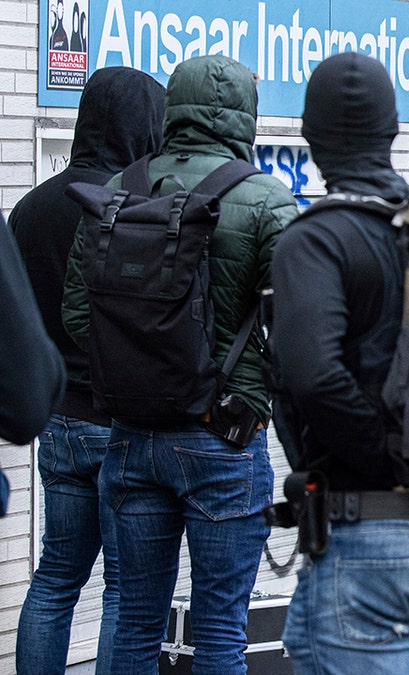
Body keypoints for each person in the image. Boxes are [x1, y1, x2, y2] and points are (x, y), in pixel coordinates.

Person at [61, 55, 297, 672]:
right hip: (223, 440)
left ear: (175, 111)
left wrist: (142, 371)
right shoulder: (265, 198)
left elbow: (79, 318)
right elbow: (301, 326)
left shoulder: (116, 190)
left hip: (131, 439)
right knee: (220, 630)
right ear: (245, 114)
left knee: (136, 622)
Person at [275, 52, 409, 674]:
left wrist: (389, 462)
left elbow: (314, 375)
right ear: (392, 132)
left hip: (370, 539)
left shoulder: (316, 240)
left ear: (312, 139)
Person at [12, 66, 164, 675]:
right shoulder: (137, 207)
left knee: (55, 577)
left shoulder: (31, 208)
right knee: (125, 590)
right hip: (120, 422)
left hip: (58, 422)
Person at [0, 211, 66, 512]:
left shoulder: (29, 207)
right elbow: (27, 399)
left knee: (61, 554)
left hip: (69, 415)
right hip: (107, 409)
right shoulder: (128, 201)